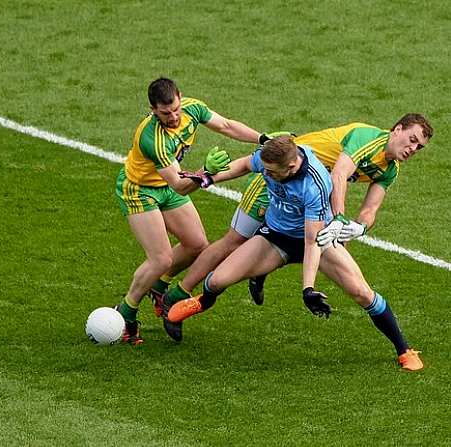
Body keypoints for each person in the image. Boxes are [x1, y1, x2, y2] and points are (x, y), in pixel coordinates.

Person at [163, 136, 423, 371]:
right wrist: (208, 178)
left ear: (291, 167)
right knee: (218, 280)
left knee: (361, 292)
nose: (265, 174)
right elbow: (243, 165)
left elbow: (311, 243)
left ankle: (404, 350)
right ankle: (203, 301)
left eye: (270, 172)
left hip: (317, 239)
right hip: (276, 236)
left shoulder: (314, 185)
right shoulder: (274, 155)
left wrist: (307, 289)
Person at [159, 114, 433, 313]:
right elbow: (339, 174)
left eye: (418, 147)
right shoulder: (368, 140)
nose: (412, 149)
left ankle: (261, 269)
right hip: (276, 178)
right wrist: (338, 218)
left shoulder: (389, 169)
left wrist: (360, 227)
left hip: (306, 194)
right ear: (396, 129)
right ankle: (178, 291)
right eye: (411, 139)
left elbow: (371, 208)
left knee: (312, 241)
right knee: (233, 241)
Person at [113, 77, 281, 345]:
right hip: (140, 190)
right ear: (153, 110)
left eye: (176, 109)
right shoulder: (152, 139)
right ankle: (126, 314)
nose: (173, 117)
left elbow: (226, 125)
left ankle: (158, 286)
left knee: (196, 244)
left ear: (181, 97)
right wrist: (207, 172)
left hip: (166, 185)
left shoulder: (193, 109)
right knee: (161, 259)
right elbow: (180, 186)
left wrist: (264, 139)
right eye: (166, 113)